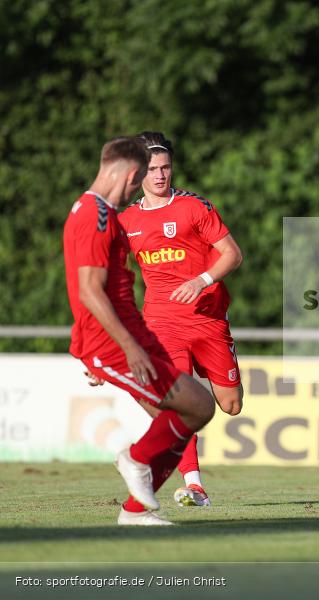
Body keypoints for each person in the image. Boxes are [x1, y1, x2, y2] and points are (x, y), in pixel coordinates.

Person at [64, 136, 216, 526]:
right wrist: (126, 348)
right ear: (131, 173)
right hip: (113, 344)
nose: (136, 191)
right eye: (138, 181)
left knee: (187, 414)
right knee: (193, 408)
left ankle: (136, 509)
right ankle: (134, 461)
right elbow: (89, 291)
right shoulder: (95, 216)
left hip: (130, 336)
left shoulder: (98, 211)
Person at [117, 131, 244, 508]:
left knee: (231, 405)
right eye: (152, 169)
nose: (160, 175)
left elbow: (233, 255)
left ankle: (210, 366)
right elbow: (117, 280)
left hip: (207, 318)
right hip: (162, 323)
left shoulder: (193, 207)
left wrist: (201, 280)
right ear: (138, 172)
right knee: (180, 405)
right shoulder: (127, 221)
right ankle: (194, 485)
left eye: (165, 167)